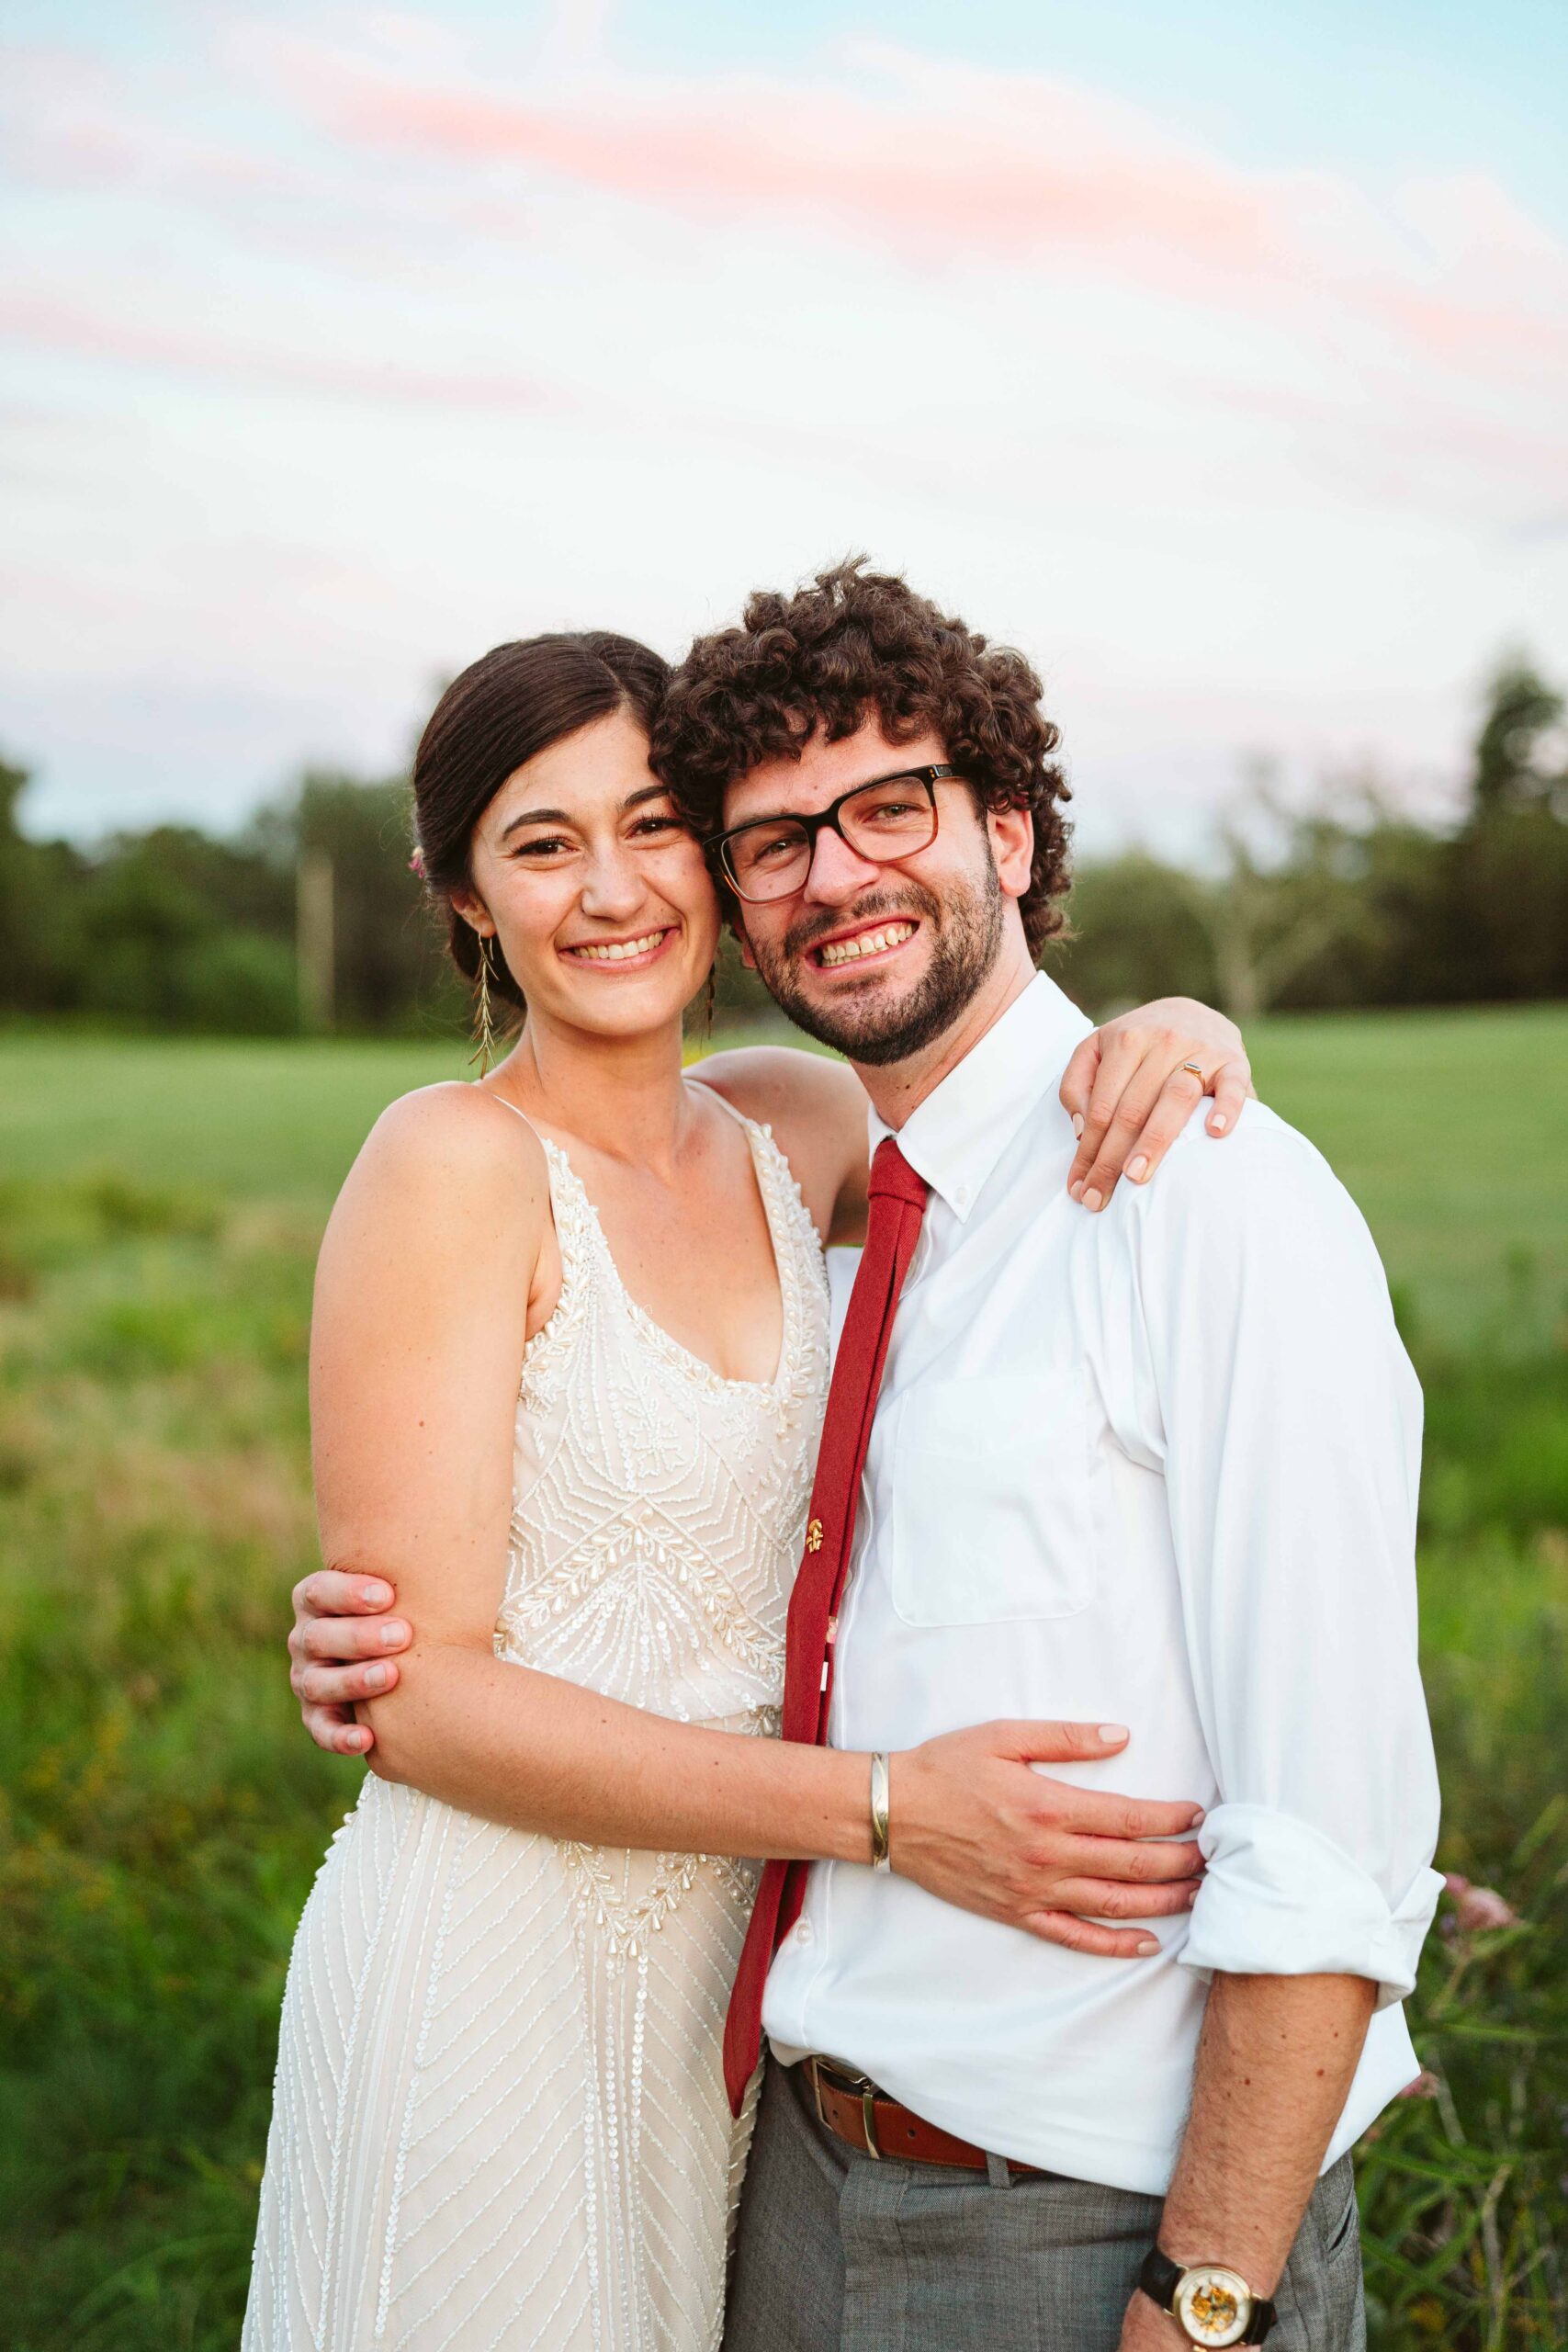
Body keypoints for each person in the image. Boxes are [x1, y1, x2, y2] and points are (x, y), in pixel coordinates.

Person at [299, 560, 1440, 2352]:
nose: (828, 874)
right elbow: (440, 1657)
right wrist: (891, 1807)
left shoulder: (1048, 1165)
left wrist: (1205, 2296)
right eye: (770, 838)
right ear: (463, 892)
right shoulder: (641, 1159)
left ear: (1007, 829)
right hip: (700, 2089)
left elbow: (1325, 1822)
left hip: (996, 2163)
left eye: (658, 827)